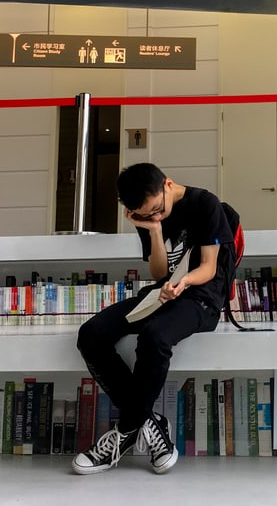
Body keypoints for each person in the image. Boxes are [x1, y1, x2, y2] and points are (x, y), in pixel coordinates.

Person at [72, 163, 235, 475]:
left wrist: (183, 283)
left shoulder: (205, 204)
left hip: (201, 296)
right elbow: (160, 273)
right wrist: (155, 230)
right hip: (162, 292)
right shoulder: (148, 216)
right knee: (92, 334)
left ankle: (124, 433)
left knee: (155, 336)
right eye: (147, 214)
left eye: (158, 210)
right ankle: (149, 423)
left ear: (168, 184)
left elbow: (210, 268)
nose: (155, 216)